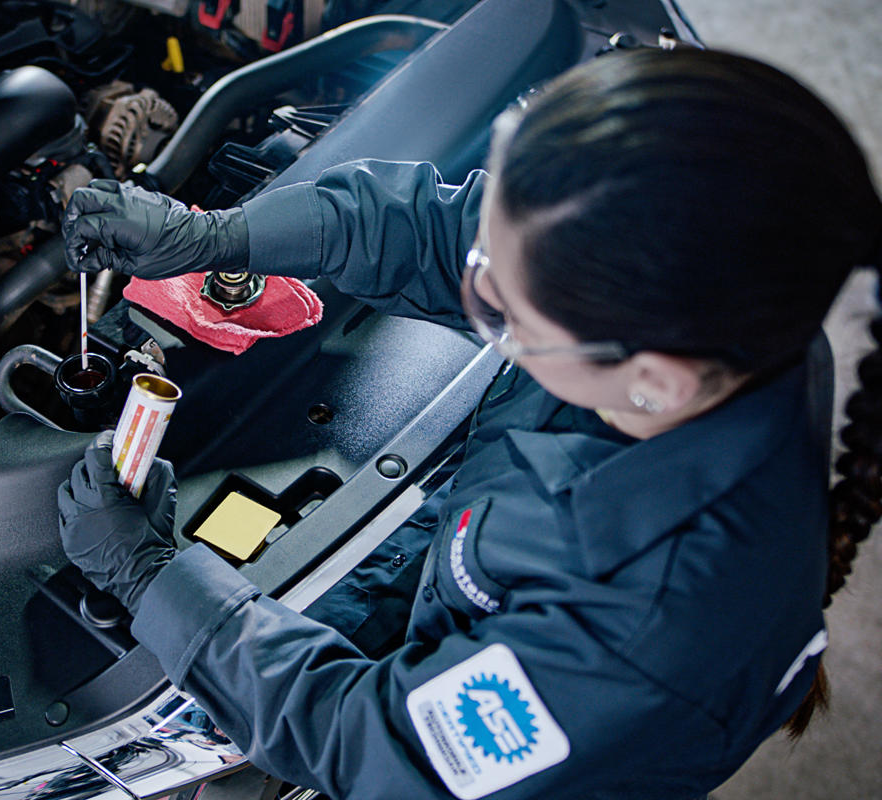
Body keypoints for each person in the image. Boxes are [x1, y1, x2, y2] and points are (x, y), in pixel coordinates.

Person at [56, 47, 882, 799]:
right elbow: (437, 229)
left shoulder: (642, 636)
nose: (473, 283)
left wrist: (152, 578)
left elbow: (375, 746)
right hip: (471, 548)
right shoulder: (720, 306)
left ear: (651, 381)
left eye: (502, 309)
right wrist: (217, 236)